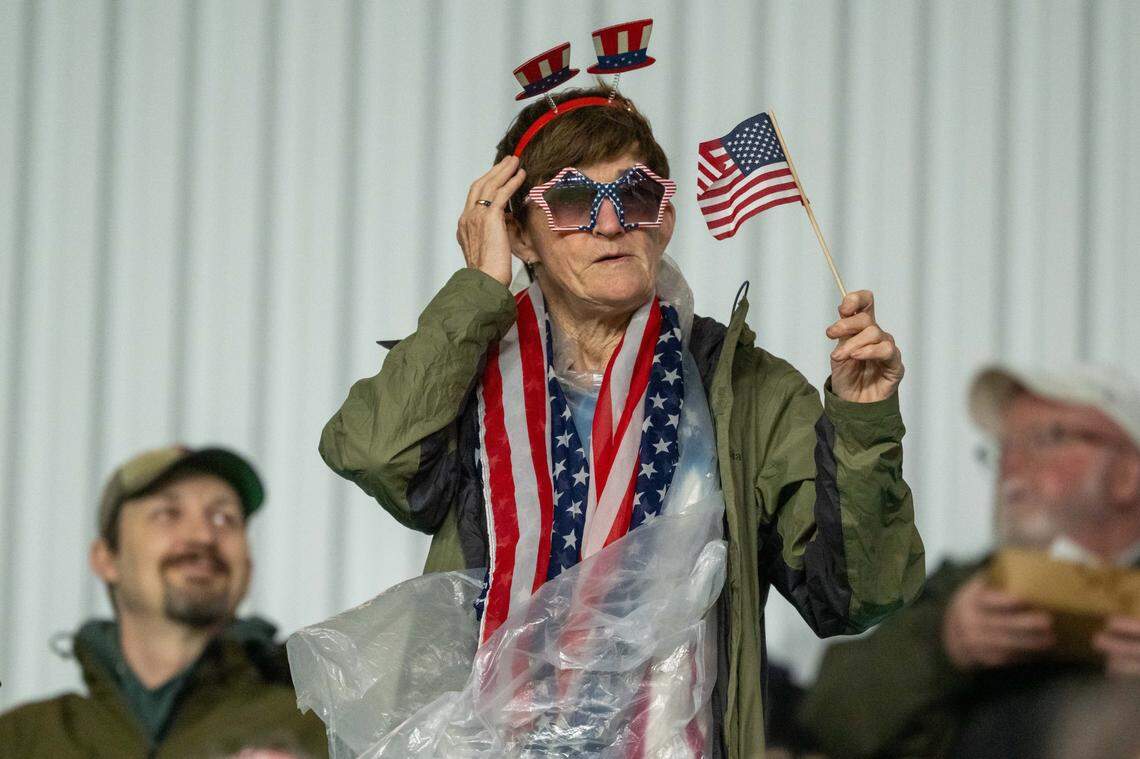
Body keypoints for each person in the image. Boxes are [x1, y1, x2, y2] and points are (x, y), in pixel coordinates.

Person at [319, 84, 924, 758]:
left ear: (664, 217)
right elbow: (373, 452)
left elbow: (861, 595)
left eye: (636, 194)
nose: (611, 223)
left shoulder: (748, 389)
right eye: (573, 201)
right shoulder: (465, 370)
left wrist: (863, 423)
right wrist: (478, 290)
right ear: (518, 231)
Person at [799, 364, 1140, 759]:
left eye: (1049, 437)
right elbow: (827, 720)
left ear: (1128, 476)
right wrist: (944, 644)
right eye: (1004, 446)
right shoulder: (960, 593)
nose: (1011, 466)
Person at [0, 445, 328, 758]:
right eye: (168, 513)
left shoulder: (320, 732)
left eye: (224, 518)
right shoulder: (21, 739)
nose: (202, 536)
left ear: (249, 564)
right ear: (106, 558)